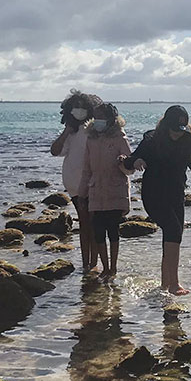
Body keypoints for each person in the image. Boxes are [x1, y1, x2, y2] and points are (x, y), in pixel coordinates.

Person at [123, 105, 191, 295]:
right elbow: (128, 160)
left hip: (176, 194)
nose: (177, 134)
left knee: (175, 235)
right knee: (173, 229)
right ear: (165, 126)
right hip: (154, 195)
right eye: (173, 129)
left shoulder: (187, 141)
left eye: (181, 130)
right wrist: (137, 161)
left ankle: (165, 284)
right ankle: (174, 284)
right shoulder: (151, 140)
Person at [78, 103, 133, 282]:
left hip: (115, 191)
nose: (97, 120)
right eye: (96, 116)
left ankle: (114, 267)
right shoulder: (91, 139)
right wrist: (81, 193)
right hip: (96, 191)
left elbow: (129, 168)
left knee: (113, 231)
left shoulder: (119, 137)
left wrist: (123, 163)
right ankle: (105, 267)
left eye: (101, 116)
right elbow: (86, 169)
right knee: (98, 232)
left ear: (110, 119)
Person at [51, 89, 102, 272]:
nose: (79, 110)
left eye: (82, 107)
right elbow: (55, 150)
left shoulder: (95, 130)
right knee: (84, 222)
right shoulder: (71, 132)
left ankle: (93, 262)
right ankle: (86, 263)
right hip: (73, 183)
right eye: (75, 107)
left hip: (92, 182)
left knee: (93, 223)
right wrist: (66, 131)